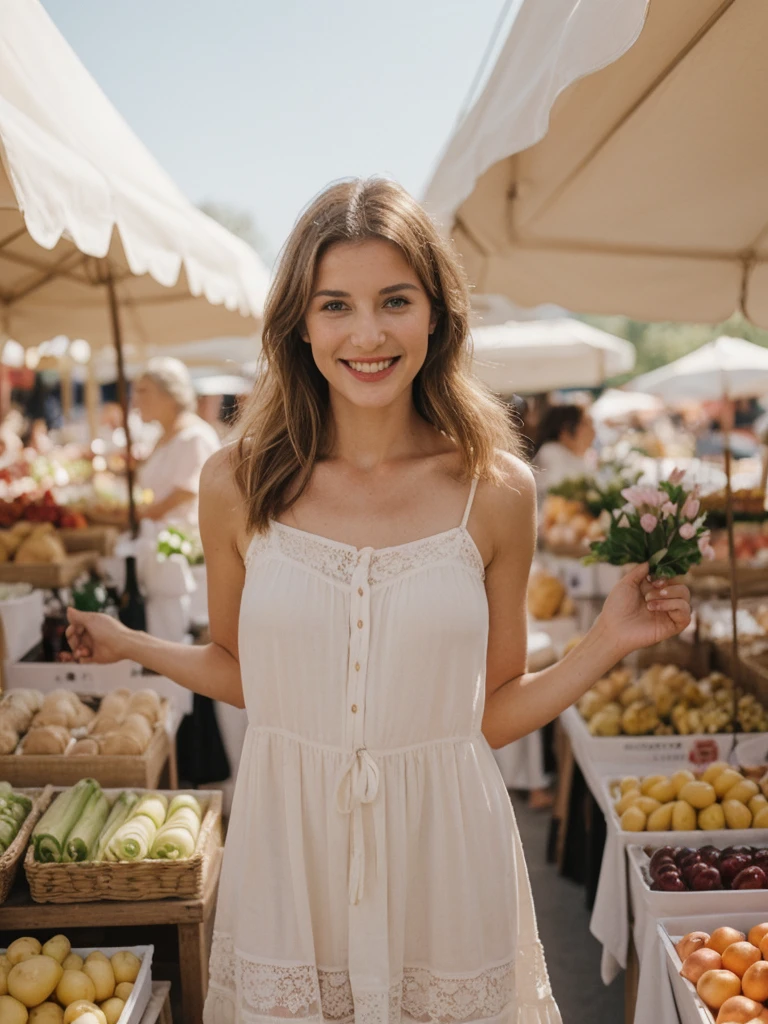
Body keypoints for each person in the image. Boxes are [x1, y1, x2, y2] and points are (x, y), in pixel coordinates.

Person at [65, 179, 691, 1024]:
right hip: (291, 856)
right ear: (300, 323)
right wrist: (131, 643)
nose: (367, 334)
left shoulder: (496, 489)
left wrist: (607, 640)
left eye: (395, 300)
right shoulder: (235, 481)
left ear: (436, 314)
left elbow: (493, 712)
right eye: (336, 306)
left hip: (447, 859)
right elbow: (243, 671)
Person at [132, 357, 220, 526]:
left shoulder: (194, 438)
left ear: (170, 395)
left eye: (144, 391)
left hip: (179, 545)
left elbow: (185, 493)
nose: (137, 400)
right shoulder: (163, 435)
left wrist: (140, 514)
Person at [532, 403, 596, 500]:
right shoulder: (551, 452)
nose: (593, 431)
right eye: (586, 424)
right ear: (565, 431)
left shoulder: (582, 456)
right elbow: (557, 491)